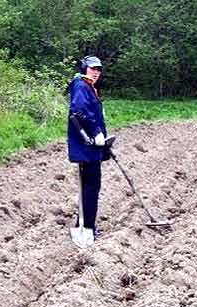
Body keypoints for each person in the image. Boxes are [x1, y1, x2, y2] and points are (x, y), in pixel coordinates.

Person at [67, 55, 110, 246]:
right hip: (86, 144)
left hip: (92, 145)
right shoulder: (81, 85)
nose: (96, 72)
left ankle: (87, 224)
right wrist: (95, 132)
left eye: (99, 69)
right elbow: (79, 111)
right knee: (90, 186)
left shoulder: (88, 86)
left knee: (91, 186)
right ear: (84, 68)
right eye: (92, 68)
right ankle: (86, 227)